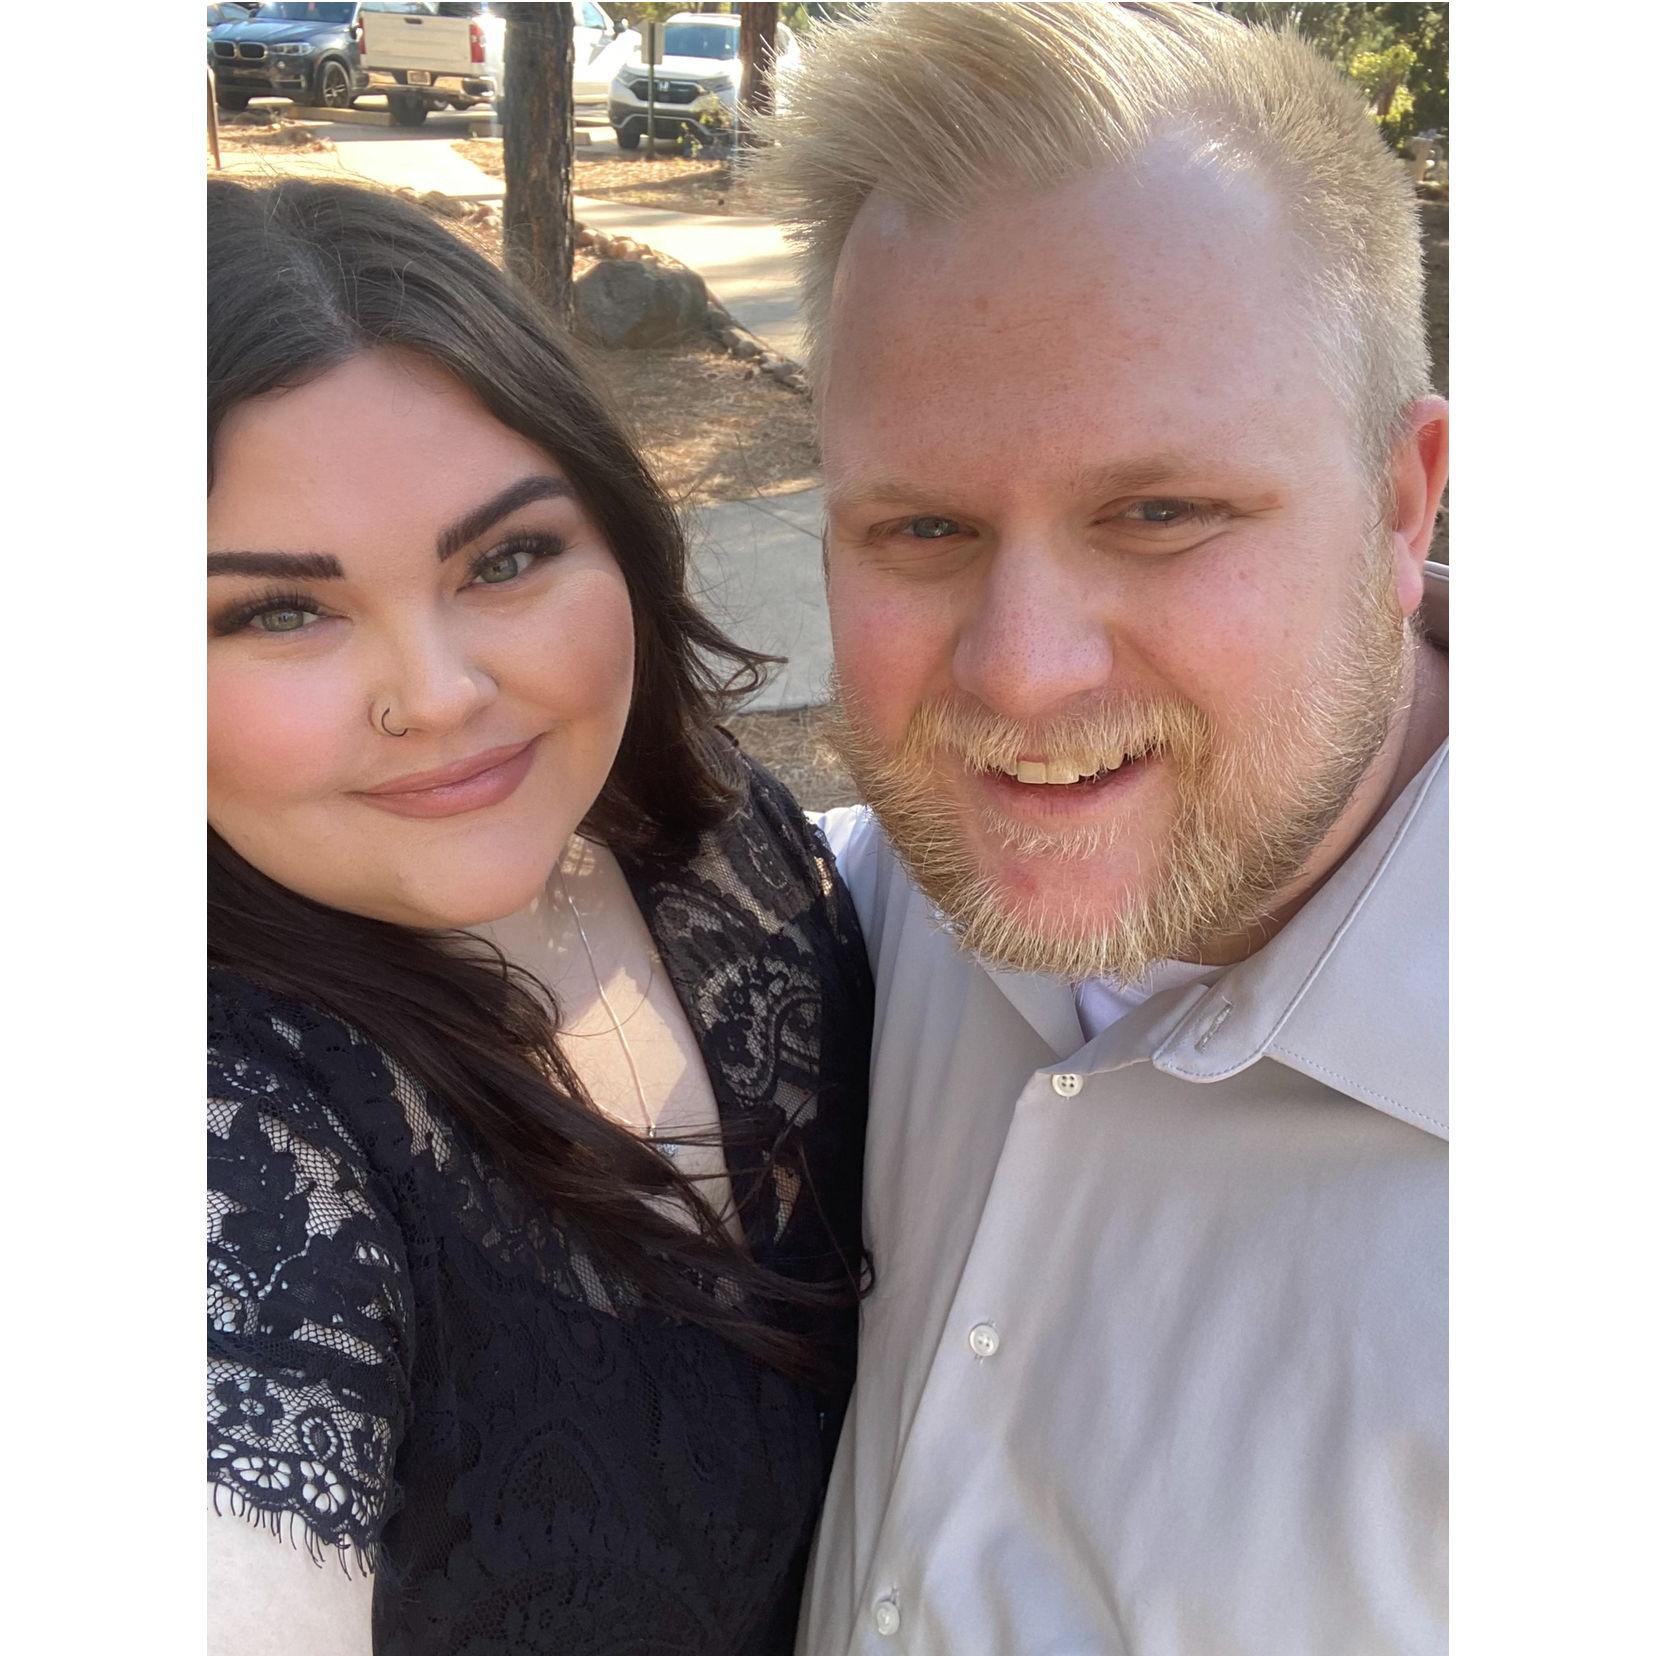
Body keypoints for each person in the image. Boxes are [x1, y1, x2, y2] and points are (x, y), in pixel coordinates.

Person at [762, 5, 1450, 1652]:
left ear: (1402, 505)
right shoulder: (846, 913)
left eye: (1158, 513)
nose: (1020, 673)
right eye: (922, 528)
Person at [205, 176, 872, 1656]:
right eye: (277, 612)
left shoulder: (722, 833)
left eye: (505, 559)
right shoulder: (227, 1117)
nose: (439, 695)